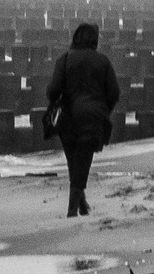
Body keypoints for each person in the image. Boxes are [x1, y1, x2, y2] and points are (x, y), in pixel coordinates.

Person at [45, 22, 122, 217]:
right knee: (83, 161)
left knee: (74, 161)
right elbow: (114, 92)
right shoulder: (103, 61)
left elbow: (52, 91)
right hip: (93, 118)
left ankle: (77, 206)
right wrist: (104, 110)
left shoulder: (64, 59)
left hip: (68, 119)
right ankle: (76, 207)